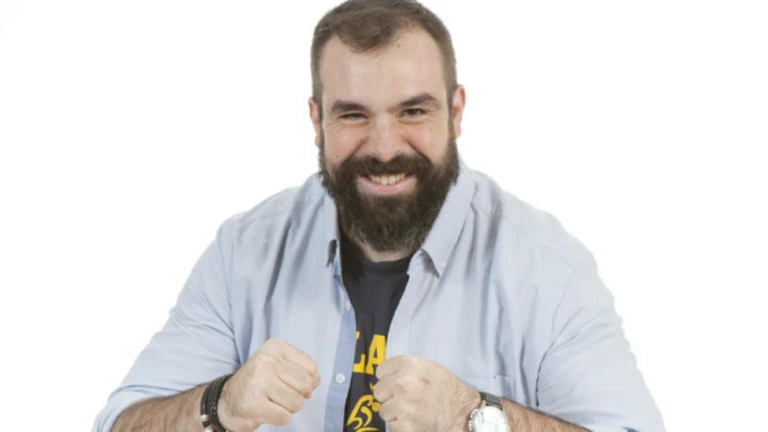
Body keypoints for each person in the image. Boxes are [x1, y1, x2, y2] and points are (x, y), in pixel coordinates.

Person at [93, 1, 665, 431]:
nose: (385, 147)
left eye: (412, 111)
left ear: (456, 112)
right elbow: (120, 424)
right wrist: (218, 405)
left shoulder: (547, 269)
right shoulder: (244, 253)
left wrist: (474, 417)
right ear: (316, 121)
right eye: (353, 115)